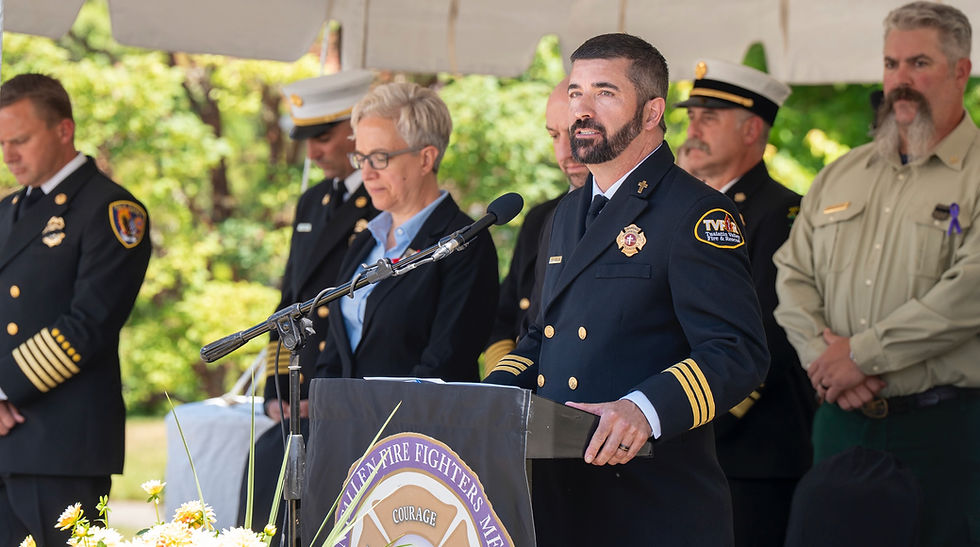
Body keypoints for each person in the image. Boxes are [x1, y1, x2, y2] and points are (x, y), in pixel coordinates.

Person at [484, 33, 769, 546]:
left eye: (605, 93)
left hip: (650, 504)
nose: (582, 110)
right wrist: (487, 401)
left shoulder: (696, 213)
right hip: (558, 499)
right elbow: (537, 338)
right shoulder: (566, 212)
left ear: (652, 111)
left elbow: (737, 352)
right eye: (575, 93)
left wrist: (643, 408)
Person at [773, 3, 980, 544]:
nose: (900, 82)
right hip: (842, 427)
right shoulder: (842, 172)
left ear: (962, 70)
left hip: (943, 431)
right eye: (891, 65)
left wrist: (860, 355)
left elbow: (971, 293)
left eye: (919, 63)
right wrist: (825, 361)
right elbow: (792, 276)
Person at [0, 73, 151, 545]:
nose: (9, 156)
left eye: (20, 140)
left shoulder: (113, 211)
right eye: (2, 142)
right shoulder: (5, 211)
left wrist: (4, 389)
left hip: (61, 444)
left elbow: (90, 324)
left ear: (63, 130)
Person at [675, 59, 815, 547]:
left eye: (708, 118)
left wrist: (694, 414)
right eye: (691, 117)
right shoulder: (683, 209)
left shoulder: (784, 213)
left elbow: (773, 332)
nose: (692, 130)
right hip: (682, 432)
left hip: (750, 452)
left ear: (753, 129)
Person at [239, 70, 378, 538]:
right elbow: (290, 300)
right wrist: (279, 384)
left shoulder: (381, 201)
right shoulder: (313, 201)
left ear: (357, 127)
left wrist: (316, 386)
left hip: (340, 381)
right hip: (300, 381)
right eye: (308, 140)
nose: (313, 152)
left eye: (323, 136)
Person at [314, 81, 497, 385]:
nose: (367, 173)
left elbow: (445, 365)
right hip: (347, 423)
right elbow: (335, 352)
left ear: (425, 159)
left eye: (380, 158)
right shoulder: (364, 241)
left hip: (415, 429)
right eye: (361, 158)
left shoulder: (464, 243)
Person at [484, 78, 588, 372]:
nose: (565, 153)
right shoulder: (542, 218)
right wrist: (505, 388)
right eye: (555, 136)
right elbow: (503, 319)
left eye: (575, 133)